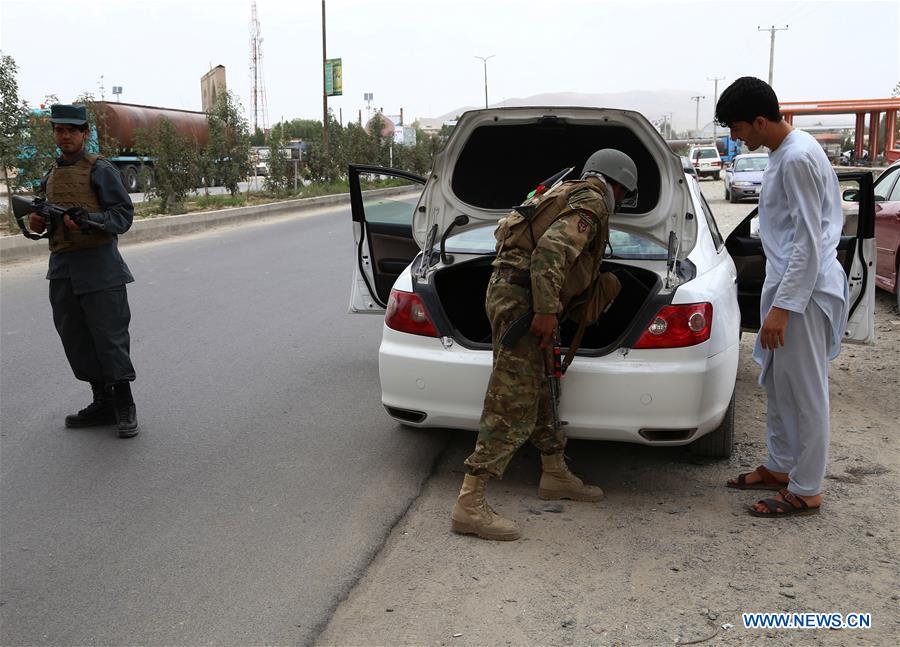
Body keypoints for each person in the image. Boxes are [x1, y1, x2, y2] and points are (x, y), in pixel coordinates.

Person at [451, 149, 639, 541]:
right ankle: (470, 503)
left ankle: (554, 472)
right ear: (617, 184)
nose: (619, 202)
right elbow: (551, 252)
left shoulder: (564, 190)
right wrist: (546, 311)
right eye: (623, 194)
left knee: (542, 386)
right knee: (511, 397)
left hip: (516, 294)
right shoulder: (590, 200)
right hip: (526, 302)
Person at [715, 77, 848, 517]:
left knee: (806, 390)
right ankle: (781, 465)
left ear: (759, 120)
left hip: (805, 294)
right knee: (778, 383)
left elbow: (809, 241)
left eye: (736, 128)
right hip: (788, 286)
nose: (735, 137)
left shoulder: (797, 158)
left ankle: (807, 487)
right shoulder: (781, 153)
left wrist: (784, 308)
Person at [29, 104, 140, 438]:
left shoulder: (101, 169)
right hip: (63, 269)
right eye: (59, 130)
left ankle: (124, 404)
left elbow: (123, 216)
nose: (65, 136)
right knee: (76, 338)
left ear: (85, 133)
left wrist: (89, 219)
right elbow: (47, 223)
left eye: (72, 130)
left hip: (100, 269)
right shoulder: (51, 174)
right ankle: (101, 402)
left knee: (109, 338)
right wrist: (37, 223)